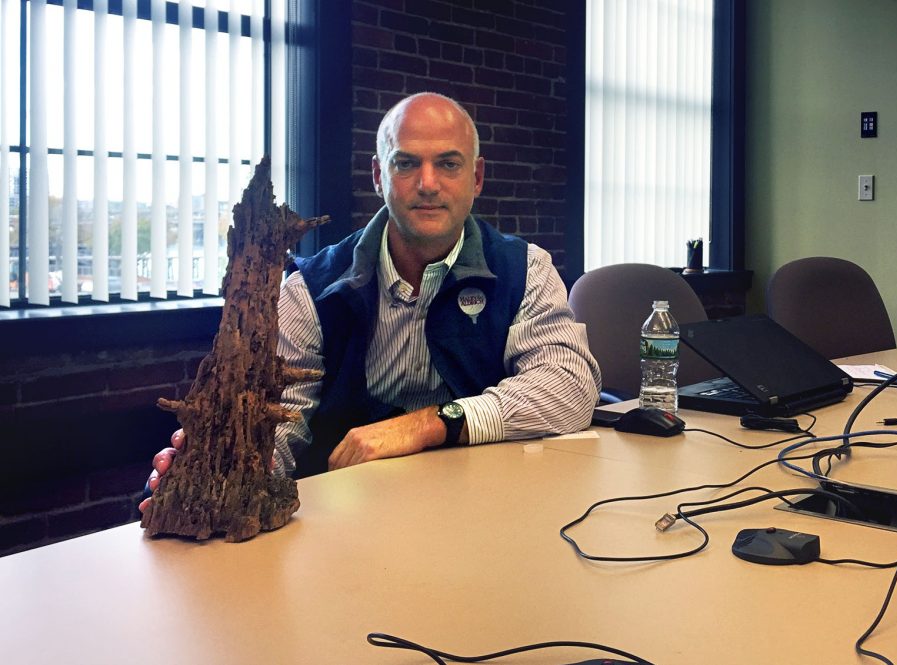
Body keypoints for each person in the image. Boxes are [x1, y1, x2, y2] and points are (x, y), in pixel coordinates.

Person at [141, 92, 600, 511]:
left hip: (484, 508)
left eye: (448, 164)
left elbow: (570, 386)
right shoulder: (311, 287)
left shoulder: (523, 269)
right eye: (405, 164)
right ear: (379, 175)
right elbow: (282, 418)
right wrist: (230, 467)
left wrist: (431, 423)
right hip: (348, 520)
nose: (427, 183)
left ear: (476, 177)